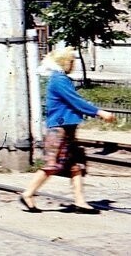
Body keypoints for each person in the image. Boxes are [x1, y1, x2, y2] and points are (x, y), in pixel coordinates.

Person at [19, 47, 116, 214]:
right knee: (53, 164)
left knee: (76, 166)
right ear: (64, 62)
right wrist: (99, 112)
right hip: (59, 130)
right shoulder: (59, 80)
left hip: (67, 129)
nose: (73, 64)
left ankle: (80, 202)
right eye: (72, 61)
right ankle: (27, 194)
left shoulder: (61, 79)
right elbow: (75, 101)